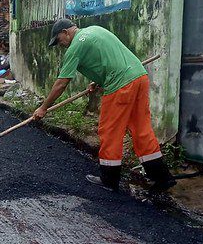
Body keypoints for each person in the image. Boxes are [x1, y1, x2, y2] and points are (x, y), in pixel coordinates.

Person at [32, 18, 175, 192]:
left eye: (59, 41)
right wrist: (98, 80)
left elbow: (62, 83)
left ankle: (109, 179)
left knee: (110, 131)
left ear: (65, 32)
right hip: (139, 77)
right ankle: (162, 177)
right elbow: (109, 59)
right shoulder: (96, 30)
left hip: (121, 85)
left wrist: (43, 108)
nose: (60, 45)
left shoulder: (76, 45)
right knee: (141, 128)